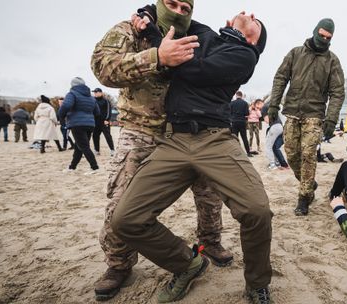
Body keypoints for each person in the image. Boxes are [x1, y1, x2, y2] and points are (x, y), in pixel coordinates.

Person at [111, 12, 272, 303]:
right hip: (174, 140)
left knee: (257, 210)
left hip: (216, 140)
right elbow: (171, 16)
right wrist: (147, 14)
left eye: (256, 21)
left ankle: (257, 284)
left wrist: (163, 49)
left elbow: (194, 71)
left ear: (253, 38)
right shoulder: (205, 34)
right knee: (125, 219)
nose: (249, 13)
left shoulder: (244, 56)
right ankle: (188, 264)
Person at [91, 1, 233, 300]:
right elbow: (102, 67)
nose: (179, 11)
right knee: (121, 202)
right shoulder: (131, 29)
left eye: (185, 6)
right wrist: (156, 56)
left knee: (209, 196)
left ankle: (209, 241)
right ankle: (119, 264)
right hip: (141, 131)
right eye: (172, 4)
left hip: (189, 131)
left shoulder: (195, 37)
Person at [268, 18, 345, 216]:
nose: (324, 39)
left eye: (328, 37)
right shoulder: (295, 53)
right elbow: (280, 78)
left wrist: (331, 119)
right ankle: (308, 182)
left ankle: (304, 197)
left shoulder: (332, 60)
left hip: (314, 114)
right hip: (292, 111)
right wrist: (273, 105)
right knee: (291, 153)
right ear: (314, 31)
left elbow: (337, 92)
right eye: (321, 35)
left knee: (308, 155)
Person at [58, 77, 100, 173]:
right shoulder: (91, 97)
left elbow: (66, 106)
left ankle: (95, 167)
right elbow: (97, 112)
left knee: (84, 146)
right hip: (90, 125)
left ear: (73, 85)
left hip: (77, 124)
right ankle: (72, 167)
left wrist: (61, 115)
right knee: (79, 146)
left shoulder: (72, 94)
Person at [261, 99, 288, 170]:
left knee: (268, 146)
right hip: (280, 126)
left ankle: (272, 164)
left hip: (274, 127)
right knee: (274, 146)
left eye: (257, 107)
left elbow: (267, 121)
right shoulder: (271, 107)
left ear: (259, 103)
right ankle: (277, 162)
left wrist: (263, 117)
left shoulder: (264, 107)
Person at [92, 88, 115, 156]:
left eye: (96, 92)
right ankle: (97, 150)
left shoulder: (106, 101)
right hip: (96, 122)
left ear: (101, 93)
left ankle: (112, 150)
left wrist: (107, 120)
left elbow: (109, 111)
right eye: (94, 92)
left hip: (104, 122)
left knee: (107, 136)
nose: (95, 93)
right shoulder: (93, 101)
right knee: (95, 136)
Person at [230, 91, 253, 156]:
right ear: (241, 95)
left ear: (236, 95)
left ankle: (235, 152)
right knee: (244, 138)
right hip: (242, 122)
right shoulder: (245, 103)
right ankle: (248, 153)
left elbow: (229, 113)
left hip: (234, 122)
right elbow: (247, 114)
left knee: (235, 137)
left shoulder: (232, 103)